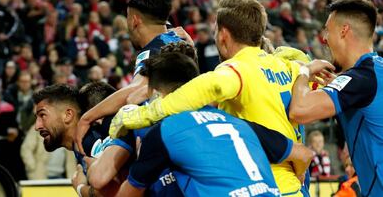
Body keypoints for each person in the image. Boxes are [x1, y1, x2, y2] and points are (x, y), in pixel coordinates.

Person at [109, 0, 308, 196]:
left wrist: (137, 116)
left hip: (262, 183)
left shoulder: (234, 70)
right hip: (295, 183)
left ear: (223, 35)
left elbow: (196, 92)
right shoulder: (288, 66)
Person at [114, 52, 313, 196]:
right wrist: (301, 173)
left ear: (156, 95)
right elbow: (304, 154)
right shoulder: (238, 123)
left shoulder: (166, 131)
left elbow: (129, 192)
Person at [75, 0, 185, 154]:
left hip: (166, 142)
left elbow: (135, 91)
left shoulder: (152, 53)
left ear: (134, 21)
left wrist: (87, 117)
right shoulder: (173, 37)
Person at [288, 0, 383, 196]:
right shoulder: (374, 72)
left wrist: (304, 71)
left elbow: (299, 110)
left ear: (344, 30)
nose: (324, 39)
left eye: (327, 30)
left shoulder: (361, 79)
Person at [32, 82, 126, 197]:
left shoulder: (90, 142)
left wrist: (80, 188)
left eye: (42, 115)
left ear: (68, 115)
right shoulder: (82, 145)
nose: (37, 126)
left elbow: (114, 192)